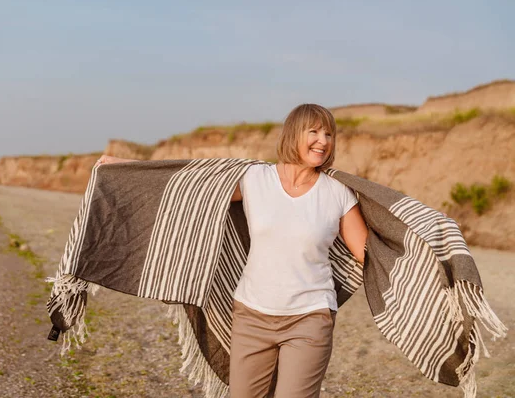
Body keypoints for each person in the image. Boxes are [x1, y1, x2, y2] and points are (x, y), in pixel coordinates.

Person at [96, 103, 368, 397]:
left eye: (329, 134)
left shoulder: (337, 192)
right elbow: (188, 184)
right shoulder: (255, 178)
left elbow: (365, 253)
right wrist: (122, 166)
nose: (323, 141)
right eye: (314, 131)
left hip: (310, 318)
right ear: (292, 134)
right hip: (251, 316)